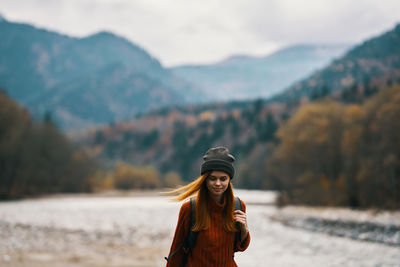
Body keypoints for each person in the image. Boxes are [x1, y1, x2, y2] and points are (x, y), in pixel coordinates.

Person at [165, 146, 250, 267]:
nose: (218, 183)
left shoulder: (238, 206)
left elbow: (240, 247)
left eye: (223, 179)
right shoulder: (189, 209)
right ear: (205, 180)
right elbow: (176, 252)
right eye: (212, 178)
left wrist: (244, 230)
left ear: (229, 180)